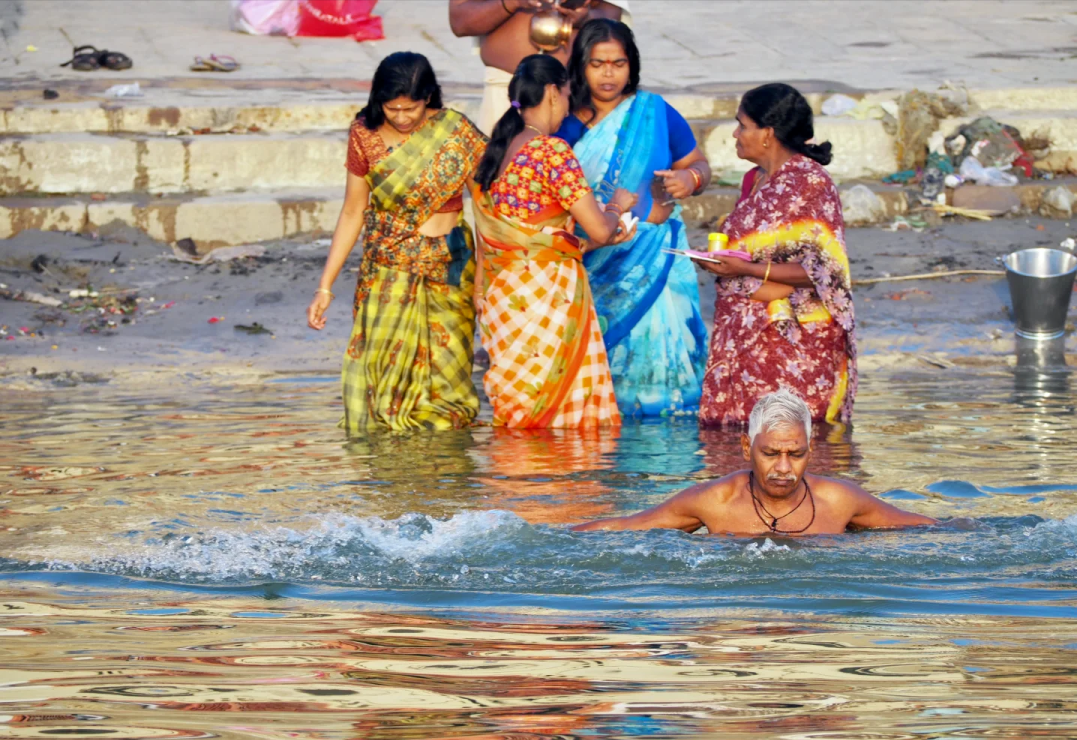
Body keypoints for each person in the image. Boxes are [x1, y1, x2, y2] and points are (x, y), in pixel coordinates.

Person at [306, 52, 487, 433]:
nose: (403, 118)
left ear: (429, 99)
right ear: (378, 101)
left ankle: (443, 478)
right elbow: (353, 211)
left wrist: (485, 280)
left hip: (449, 265)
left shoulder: (456, 132)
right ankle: (389, 480)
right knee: (385, 386)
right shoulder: (364, 134)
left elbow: (486, 211)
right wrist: (325, 286)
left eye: (412, 109)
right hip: (388, 269)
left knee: (448, 384)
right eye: (393, 109)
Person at [470, 54, 638, 428]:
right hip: (547, 297)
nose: (568, 106)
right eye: (566, 94)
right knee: (564, 415)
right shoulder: (551, 153)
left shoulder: (495, 153)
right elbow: (597, 228)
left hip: (505, 297)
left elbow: (540, 240)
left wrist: (603, 239)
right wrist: (617, 206)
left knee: (522, 414)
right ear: (551, 92)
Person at [557, 19, 711, 417]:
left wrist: (689, 179)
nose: (608, 73)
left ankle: (663, 460)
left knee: (659, 365)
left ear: (632, 65)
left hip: (655, 261)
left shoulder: (654, 111)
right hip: (592, 258)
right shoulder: (564, 122)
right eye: (597, 64)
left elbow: (697, 164)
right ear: (581, 66)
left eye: (618, 63)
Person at [694, 83, 858, 426]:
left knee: (790, 446)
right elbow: (753, 251)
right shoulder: (754, 179)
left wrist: (747, 269)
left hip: (793, 342)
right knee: (740, 452)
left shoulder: (810, 183)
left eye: (743, 125)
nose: (736, 134)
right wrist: (721, 263)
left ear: (767, 133)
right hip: (743, 336)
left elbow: (824, 272)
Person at [573, 389, 937, 535]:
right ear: (747, 448)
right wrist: (545, 538)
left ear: (810, 451)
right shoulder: (713, 501)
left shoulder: (841, 500)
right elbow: (629, 526)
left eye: (795, 455)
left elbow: (923, 528)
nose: (783, 468)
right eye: (770, 454)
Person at [448, 0, 629, 135]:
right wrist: (511, 2)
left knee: (571, 180)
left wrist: (586, 17)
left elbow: (612, 19)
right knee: (499, 179)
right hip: (503, 89)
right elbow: (460, 23)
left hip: (572, 94)